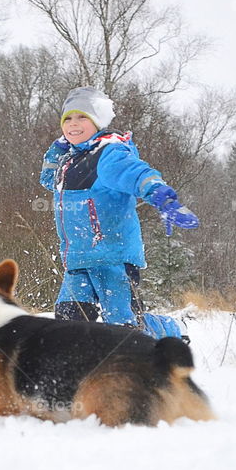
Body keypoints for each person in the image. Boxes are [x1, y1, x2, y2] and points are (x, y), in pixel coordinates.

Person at [40, 87, 199, 339]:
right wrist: (59, 148)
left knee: (124, 328)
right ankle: (83, 372)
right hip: (77, 261)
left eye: (82, 117)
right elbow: (48, 178)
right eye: (67, 119)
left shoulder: (108, 153)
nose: (73, 124)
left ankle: (169, 331)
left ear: (98, 121)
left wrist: (160, 195)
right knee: (68, 324)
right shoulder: (68, 161)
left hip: (112, 258)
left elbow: (134, 173)